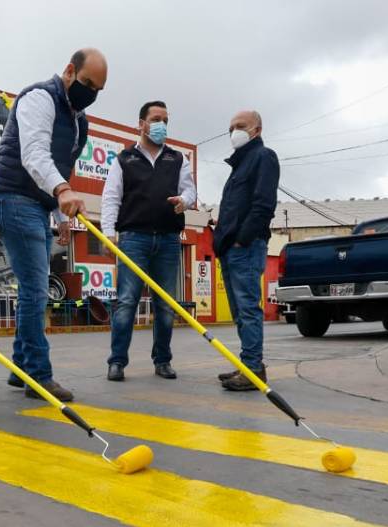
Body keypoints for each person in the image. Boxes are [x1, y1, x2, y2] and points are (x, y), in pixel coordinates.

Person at [0, 48, 108, 401]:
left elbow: (62, 163)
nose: (91, 93)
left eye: (98, 89)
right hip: (12, 199)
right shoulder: (39, 98)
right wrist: (63, 191)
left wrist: (58, 213)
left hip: (38, 207)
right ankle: (38, 375)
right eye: (87, 83)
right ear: (69, 71)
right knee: (35, 291)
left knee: (32, 289)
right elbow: (35, 153)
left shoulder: (78, 121)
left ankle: (20, 367)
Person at [102, 100, 197, 381]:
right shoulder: (124, 159)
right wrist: (108, 234)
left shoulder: (178, 159)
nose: (161, 125)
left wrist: (184, 201)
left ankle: (163, 360)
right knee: (127, 301)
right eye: (156, 119)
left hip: (168, 239)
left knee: (165, 304)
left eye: (165, 120)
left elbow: (190, 192)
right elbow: (111, 198)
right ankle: (117, 361)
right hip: (133, 239)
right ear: (141, 123)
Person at [212, 110, 279, 391]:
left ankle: (252, 369)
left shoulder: (264, 157)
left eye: (240, 126)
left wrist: (242, 239)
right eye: (230, 128)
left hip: (246, 247)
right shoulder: (240, 165)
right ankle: (250, 365)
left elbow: (263, 205)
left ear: (257, 129)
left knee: (248, 309)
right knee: (241, 311)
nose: (234, 132)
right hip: (232, 249)